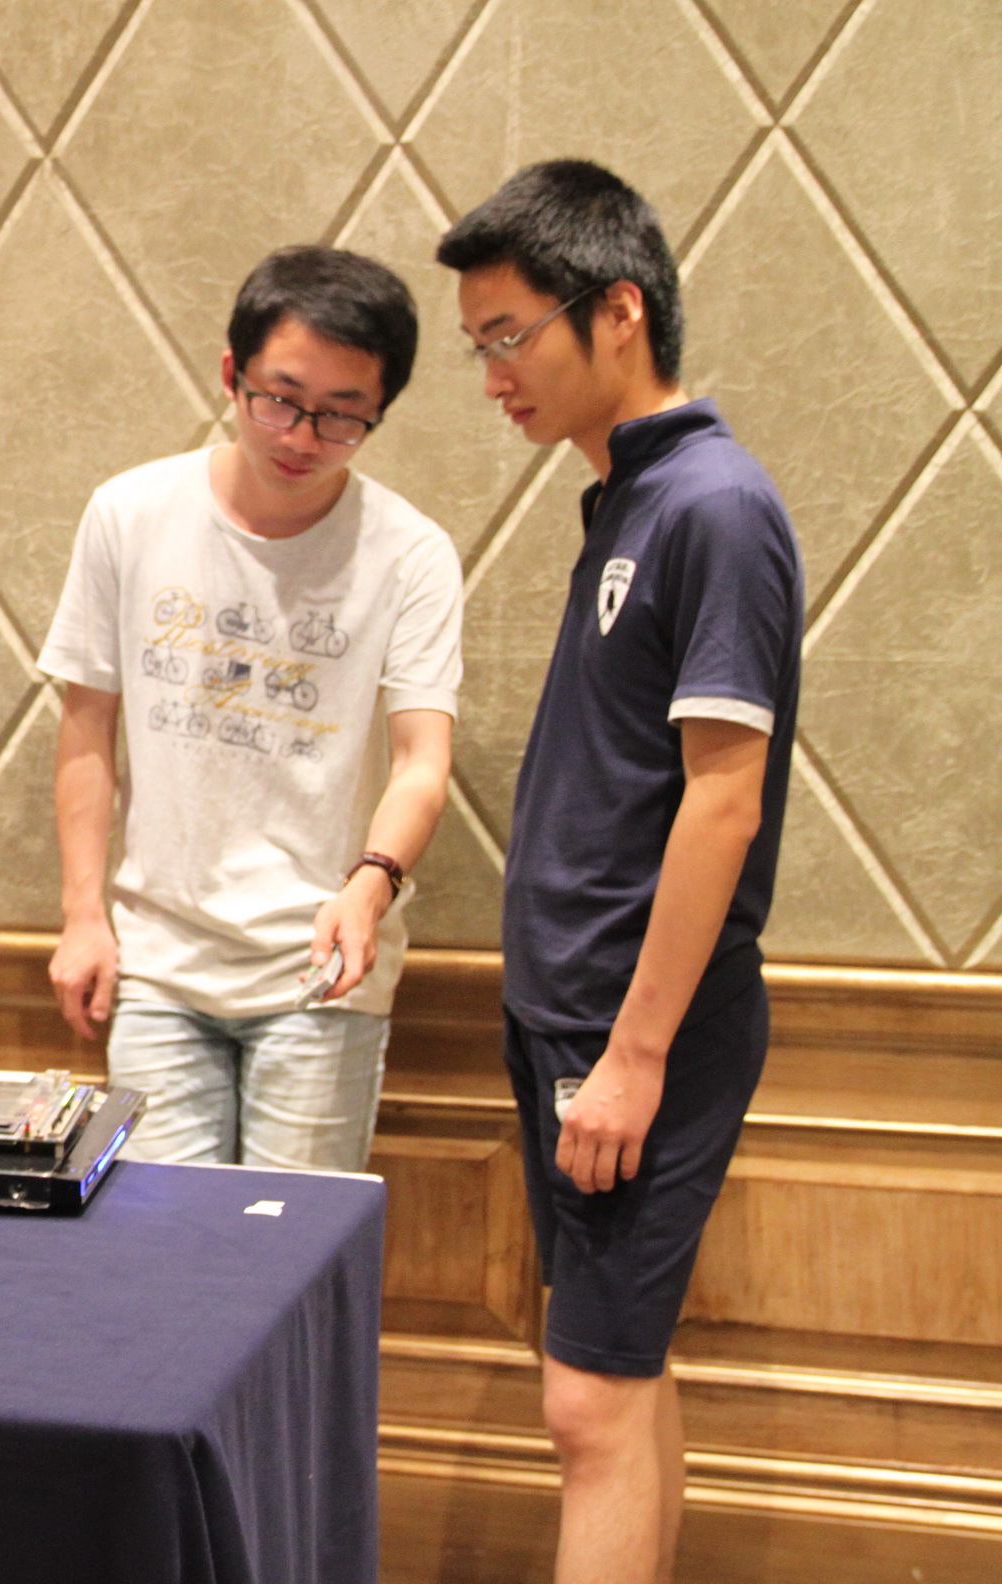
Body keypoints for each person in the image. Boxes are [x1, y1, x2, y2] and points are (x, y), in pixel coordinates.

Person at [437, 161, 802, 1584]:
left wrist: (636, 1055)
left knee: (586, 1401)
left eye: (509, 335)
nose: (493, 376)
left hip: (636, 1030)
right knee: (620, 1380)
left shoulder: (714, 504)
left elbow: (725, 800)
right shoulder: (627, 498)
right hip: (575, 1012)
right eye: (479, 344)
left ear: (620, 310)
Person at [40, 245, 463, 1172]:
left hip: (322, 970)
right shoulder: (130, 514)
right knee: (158, 1241)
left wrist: (372, 884)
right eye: (281, 398)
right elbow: (86, 728)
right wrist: (83, 916)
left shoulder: (411, 555)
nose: (302, 437)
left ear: (379, 413)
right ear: (233, 374)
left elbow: (422, 762)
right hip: (159, 967)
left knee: (288, 1243)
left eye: (343, 415)